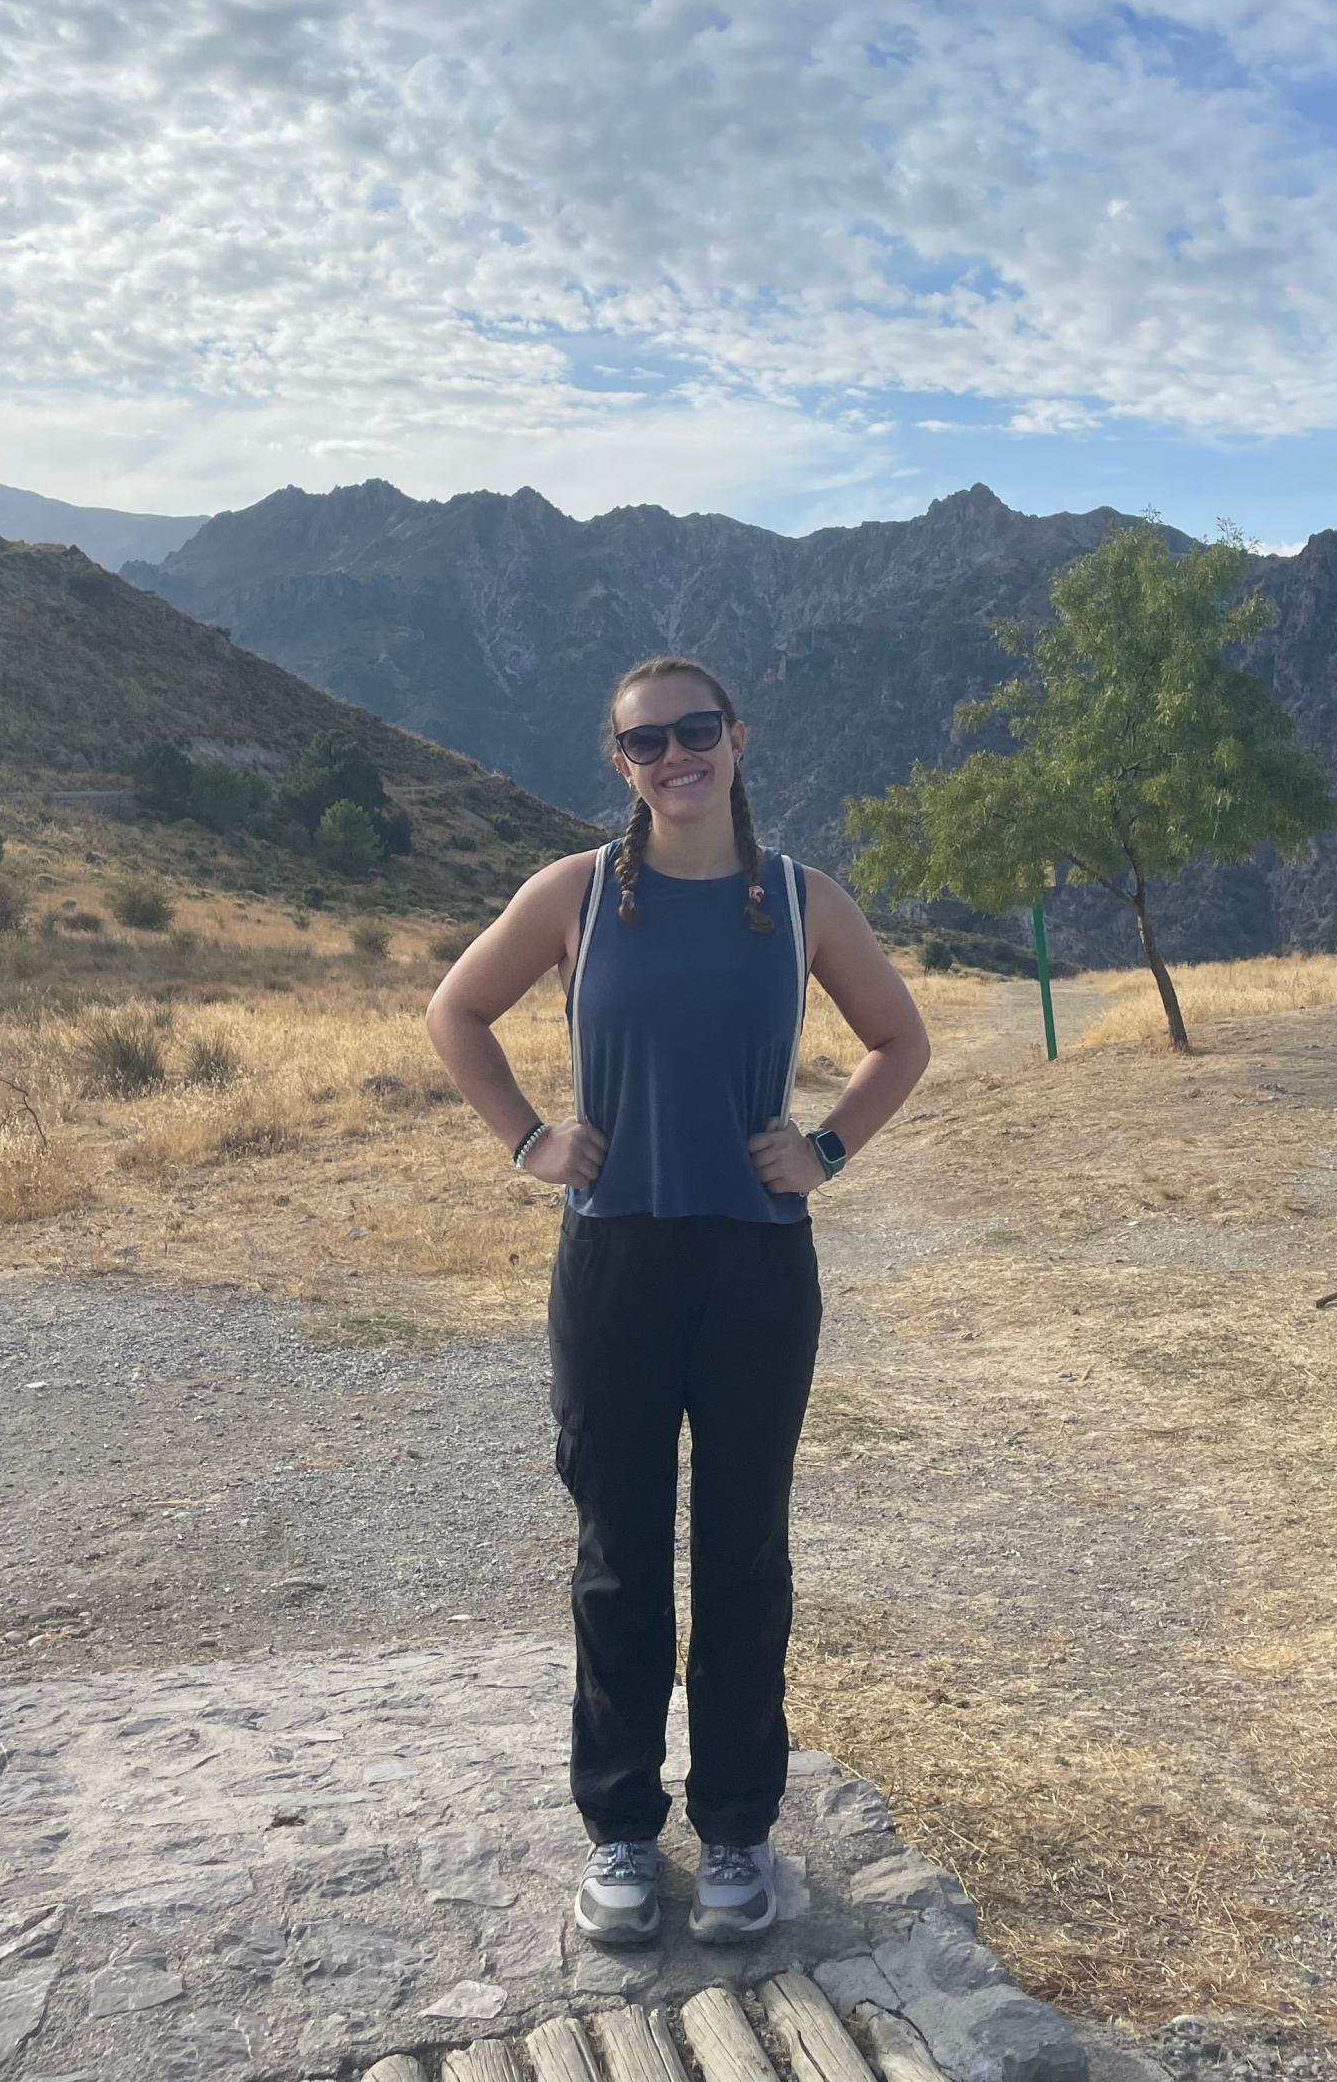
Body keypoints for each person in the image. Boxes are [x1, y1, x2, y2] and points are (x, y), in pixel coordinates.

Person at [426, 653, 930, 1947]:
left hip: (758, 1263)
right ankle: (618, 1834)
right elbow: (457, 1013)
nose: (673, 758)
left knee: (744, 1553)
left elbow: (897, 1041)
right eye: (644, 744)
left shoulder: (800, 901)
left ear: (736, 739)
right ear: (620, 765)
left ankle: (739, 1836)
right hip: (615, 1261)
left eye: (693, 732)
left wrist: (822, 1150)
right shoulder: (575, 895)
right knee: (618, 1556)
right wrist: (531, 1140)